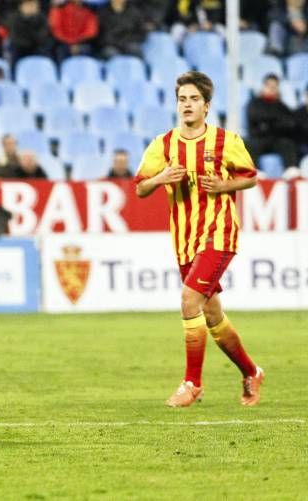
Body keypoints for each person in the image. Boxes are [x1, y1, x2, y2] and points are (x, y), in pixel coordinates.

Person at [134, 71, 264, 408]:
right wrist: (162, 177)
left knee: (189, 300)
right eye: (182, 99)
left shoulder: (226, 140)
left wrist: (224, 186)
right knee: (211, 315)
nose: (187, 105)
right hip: (184, 240)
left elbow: (249, 178)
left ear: (206, 106)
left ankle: (192, 383)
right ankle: (251, 372)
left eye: (193, 99)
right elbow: (140, 187)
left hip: (219, 233)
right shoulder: (163, 145)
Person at [246, 73, 299, 171]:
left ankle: (292, 172)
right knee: (250, 145)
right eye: (269, 86)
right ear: (263, 86)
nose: (271, 89)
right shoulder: (254, 103)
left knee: (288, 144)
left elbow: (289, 123)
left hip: (276, 139)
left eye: (274, 87)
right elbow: (255, 118)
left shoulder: (281, 106)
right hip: (258, 138)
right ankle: (253, 174)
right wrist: (275, 122)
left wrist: (268, 123)